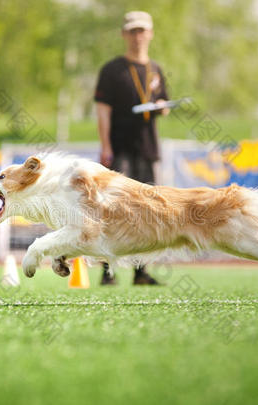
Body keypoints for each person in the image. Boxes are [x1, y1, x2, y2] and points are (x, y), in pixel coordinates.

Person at [94, 10, 169, 285]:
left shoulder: (156, 70)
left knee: (147, 212)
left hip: (147, 150)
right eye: (132, 31)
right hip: (119, 150)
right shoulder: (112, 70)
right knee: (113, 209)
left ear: (149, 33)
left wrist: (162, 108)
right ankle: (107, 270)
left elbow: (164, 105)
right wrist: (106, 146)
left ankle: (141, 271)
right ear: (124, 34)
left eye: (142, 30)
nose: (138, 36)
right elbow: (103, 112)